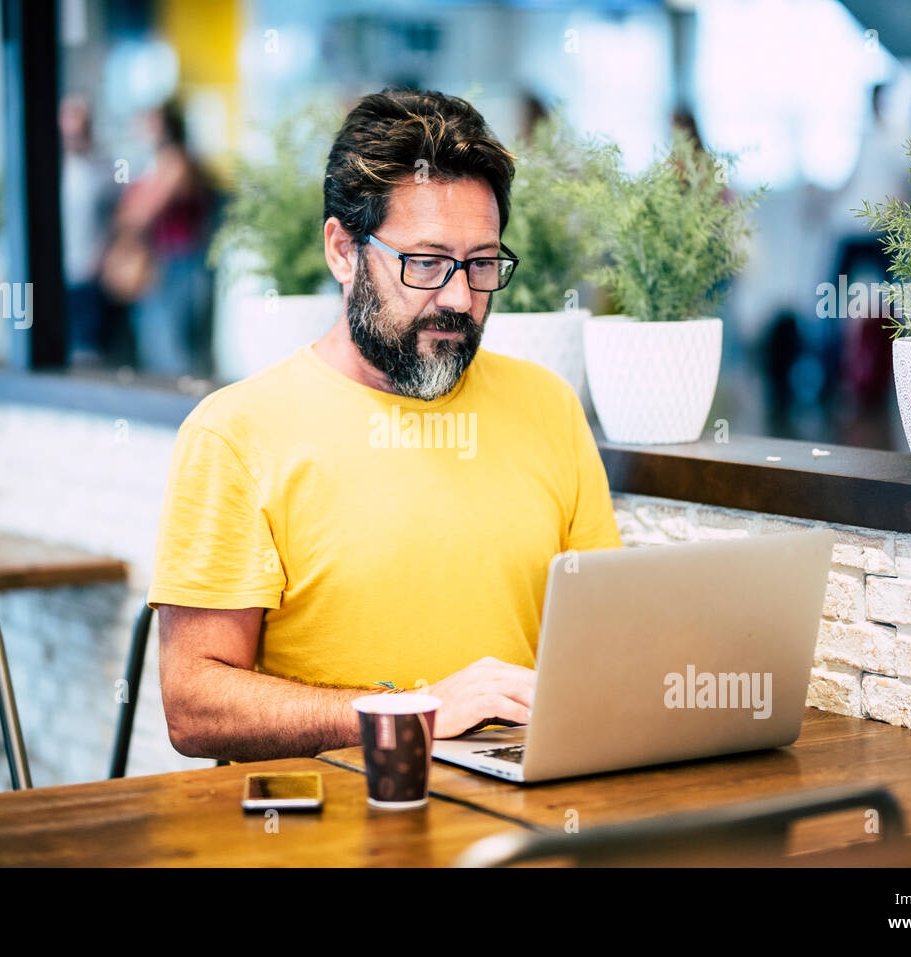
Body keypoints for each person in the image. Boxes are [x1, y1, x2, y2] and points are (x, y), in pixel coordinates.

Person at [149, 88, 622, 763]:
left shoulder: (547, 405)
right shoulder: (235, 434)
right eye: (426, 263)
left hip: (523, 816)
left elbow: (605, 641)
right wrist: (411, 713)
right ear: (343, 251)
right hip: (331, 824)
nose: (459, 297)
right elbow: (193, 705)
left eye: (482, 264)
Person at [110, 100, 214, 376]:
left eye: (151, 123)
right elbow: (129, 212)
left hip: (180, 264)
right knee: (156, 344)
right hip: (160, 263)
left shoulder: (177, 162)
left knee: (173, 348)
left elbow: (144, 211)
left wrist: (137, 203)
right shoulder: (154, 164)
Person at [59, 95, 116, 366]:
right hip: (55, 277)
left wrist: (102, 256)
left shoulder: (103, 169)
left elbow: (115, 219)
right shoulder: (46, 168)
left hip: (90, 275)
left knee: (88, 354)